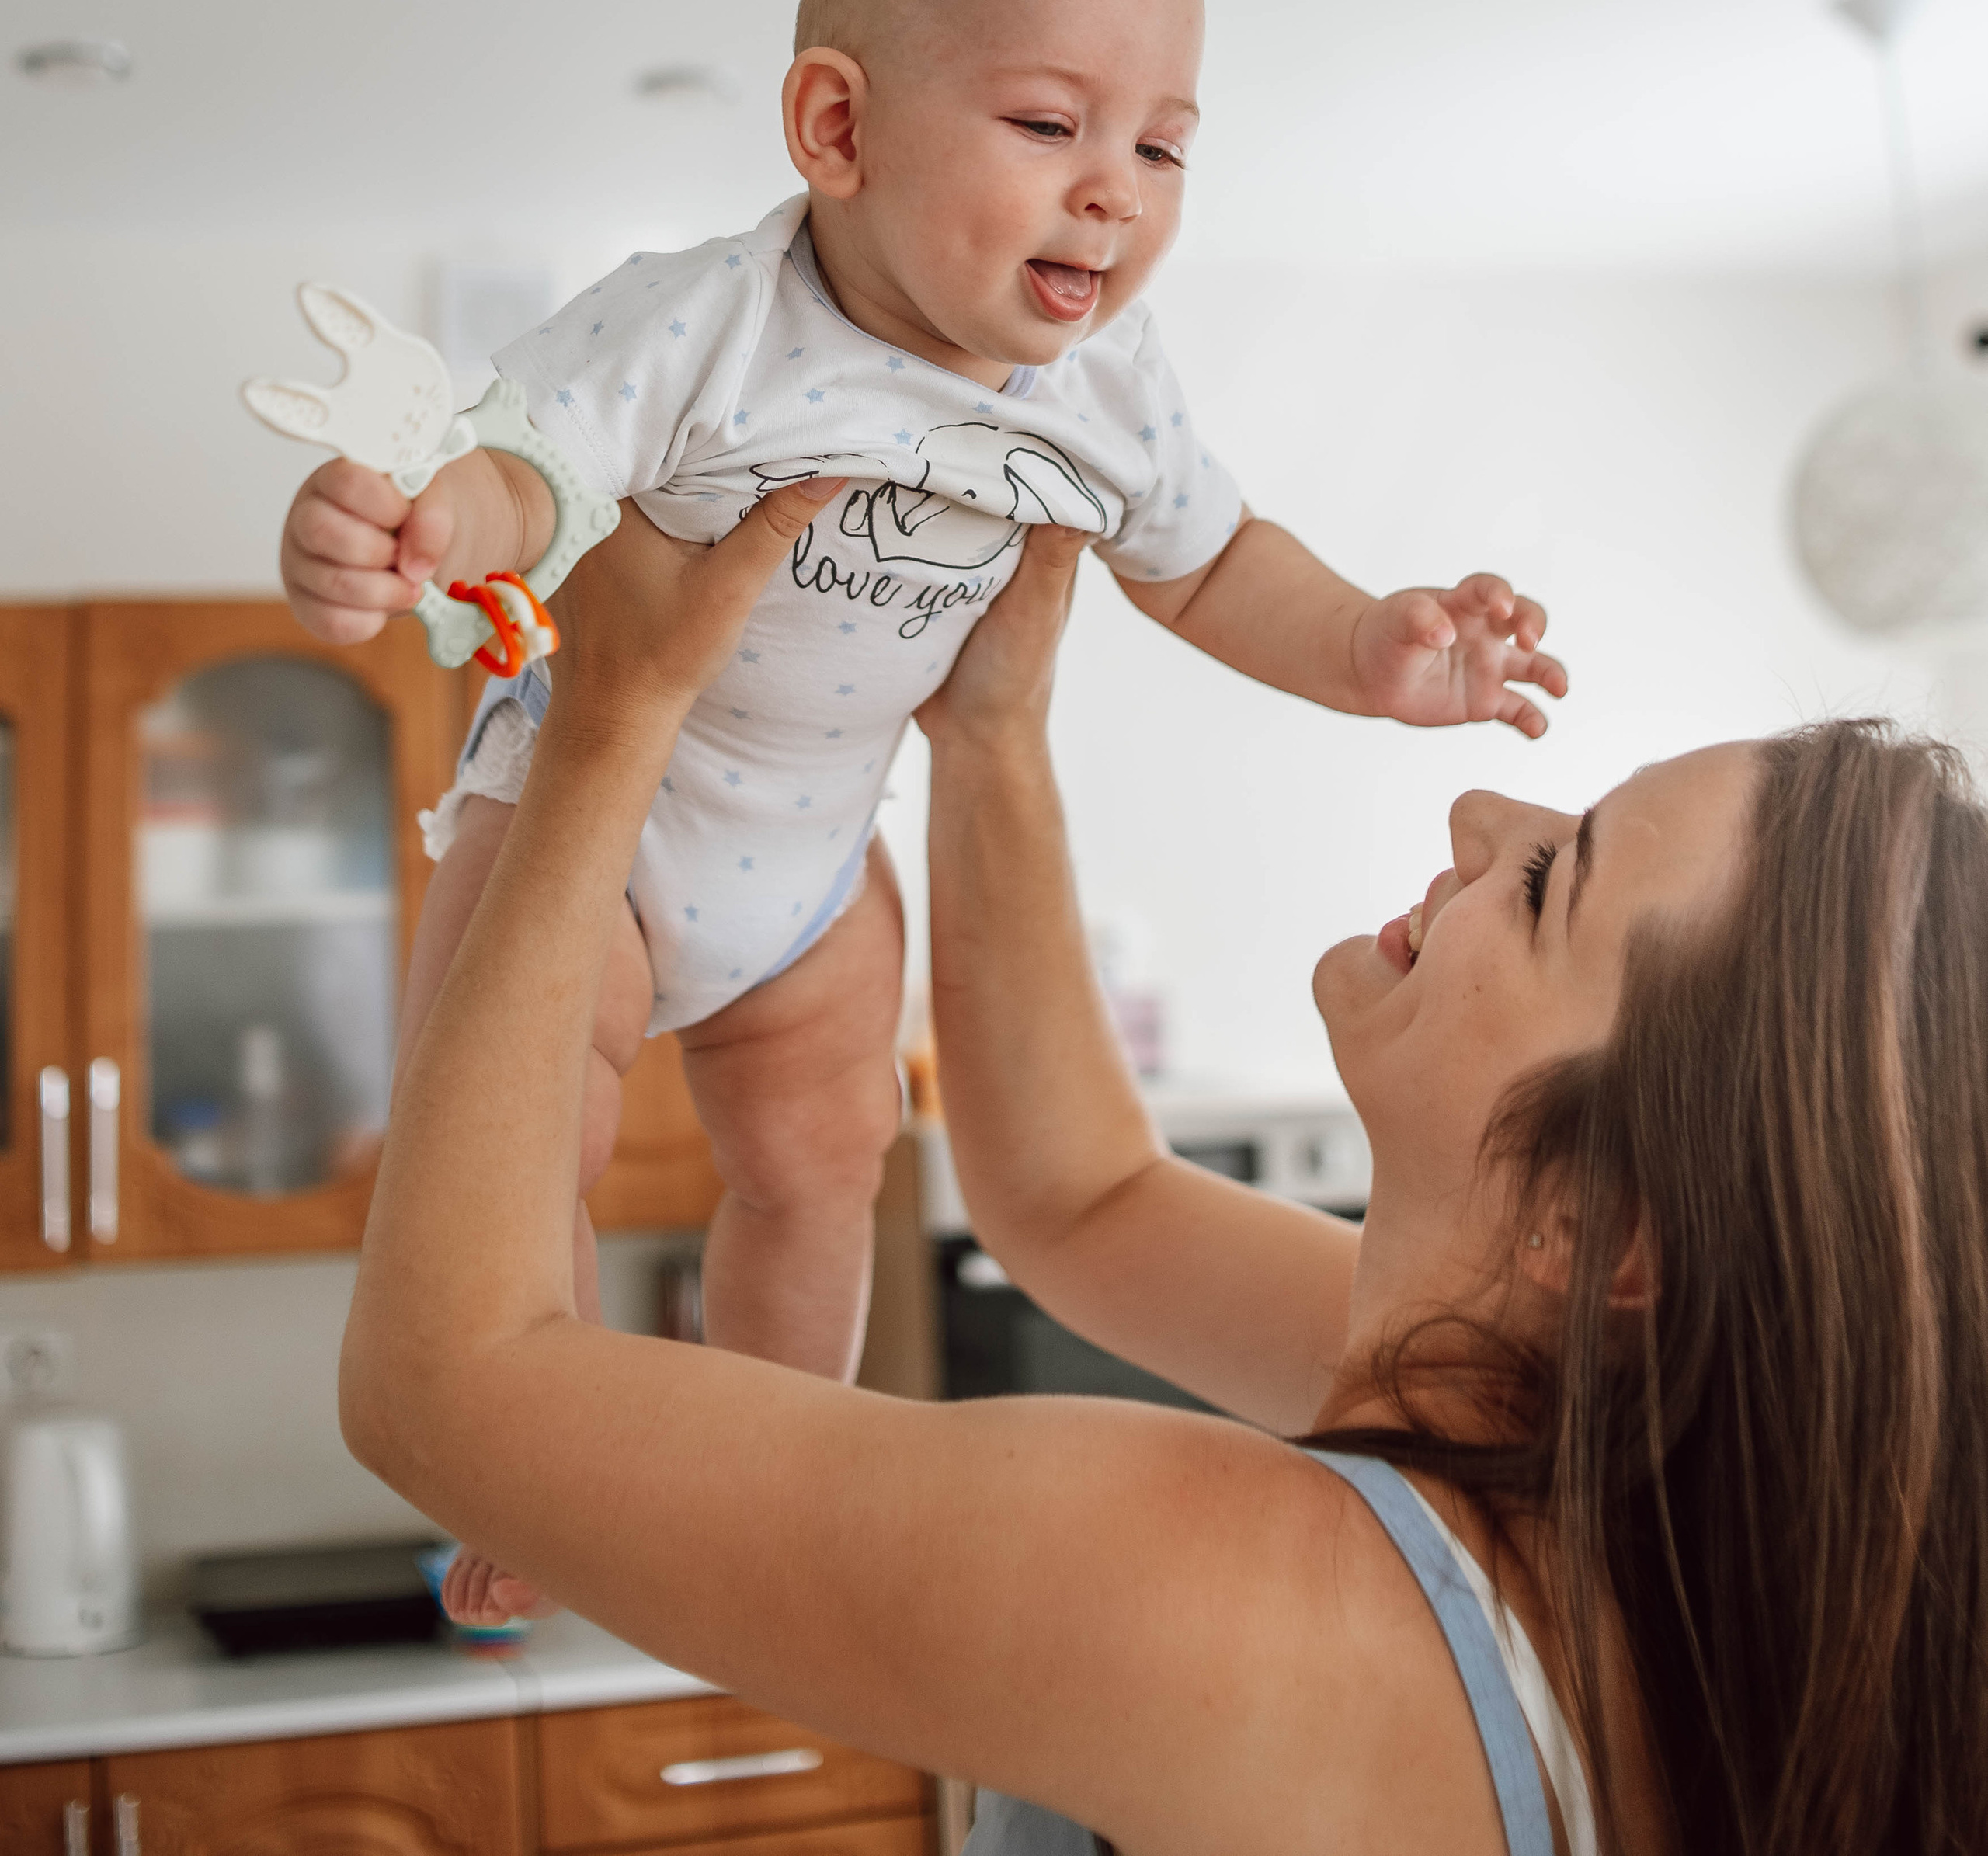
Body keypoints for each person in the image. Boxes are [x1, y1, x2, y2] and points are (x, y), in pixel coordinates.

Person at [290, 0, 1564, 1615]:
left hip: (816, 848)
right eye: (1049, 126)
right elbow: (529, 471)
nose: (1111, 187)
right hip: (601, 816)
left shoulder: (1100, 387)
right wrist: (428, 528)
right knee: (527, 1130)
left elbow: (1208, 567)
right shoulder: (708, 329)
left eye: (1161, 146)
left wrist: (1372, 648)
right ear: (836, 129)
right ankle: (548, 1467)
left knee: (822, 1173)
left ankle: (746, 1472)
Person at [343, 488, 1988, 1856]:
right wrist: (990, 732)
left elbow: (445, 1383)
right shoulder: (1593, 1491)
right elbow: (1078, 1201)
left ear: (1597, 1223)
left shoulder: (1249, 1604)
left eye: (1554, 884)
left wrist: (600, 727)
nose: (1485, 805)